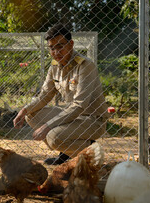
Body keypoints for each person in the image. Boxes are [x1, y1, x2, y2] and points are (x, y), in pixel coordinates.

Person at [13, 23, 109, 165]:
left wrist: (48, 126)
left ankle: (91, 148)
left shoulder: (85, 65)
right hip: (71, 116)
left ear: (70, 44)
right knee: (31, 114)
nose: (56, 52)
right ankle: (68, 153)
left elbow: (79, 105)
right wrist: (23, 110)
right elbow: (44, 96)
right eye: (52, 48)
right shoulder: (54, 68)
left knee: (53, 137)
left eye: (60, 46)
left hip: (92, 120)